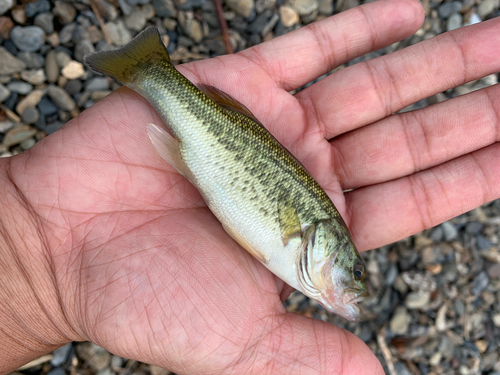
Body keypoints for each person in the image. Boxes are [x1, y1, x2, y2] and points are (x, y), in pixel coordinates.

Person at [0, 0, 499, 373]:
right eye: (353, 271)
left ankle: (150, 71)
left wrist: (42, 278)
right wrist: (35, 266)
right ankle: (149, 72)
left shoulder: (300, 253)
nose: (351, 286)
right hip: (224, 157)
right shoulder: (298, 241)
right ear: (326, 243)